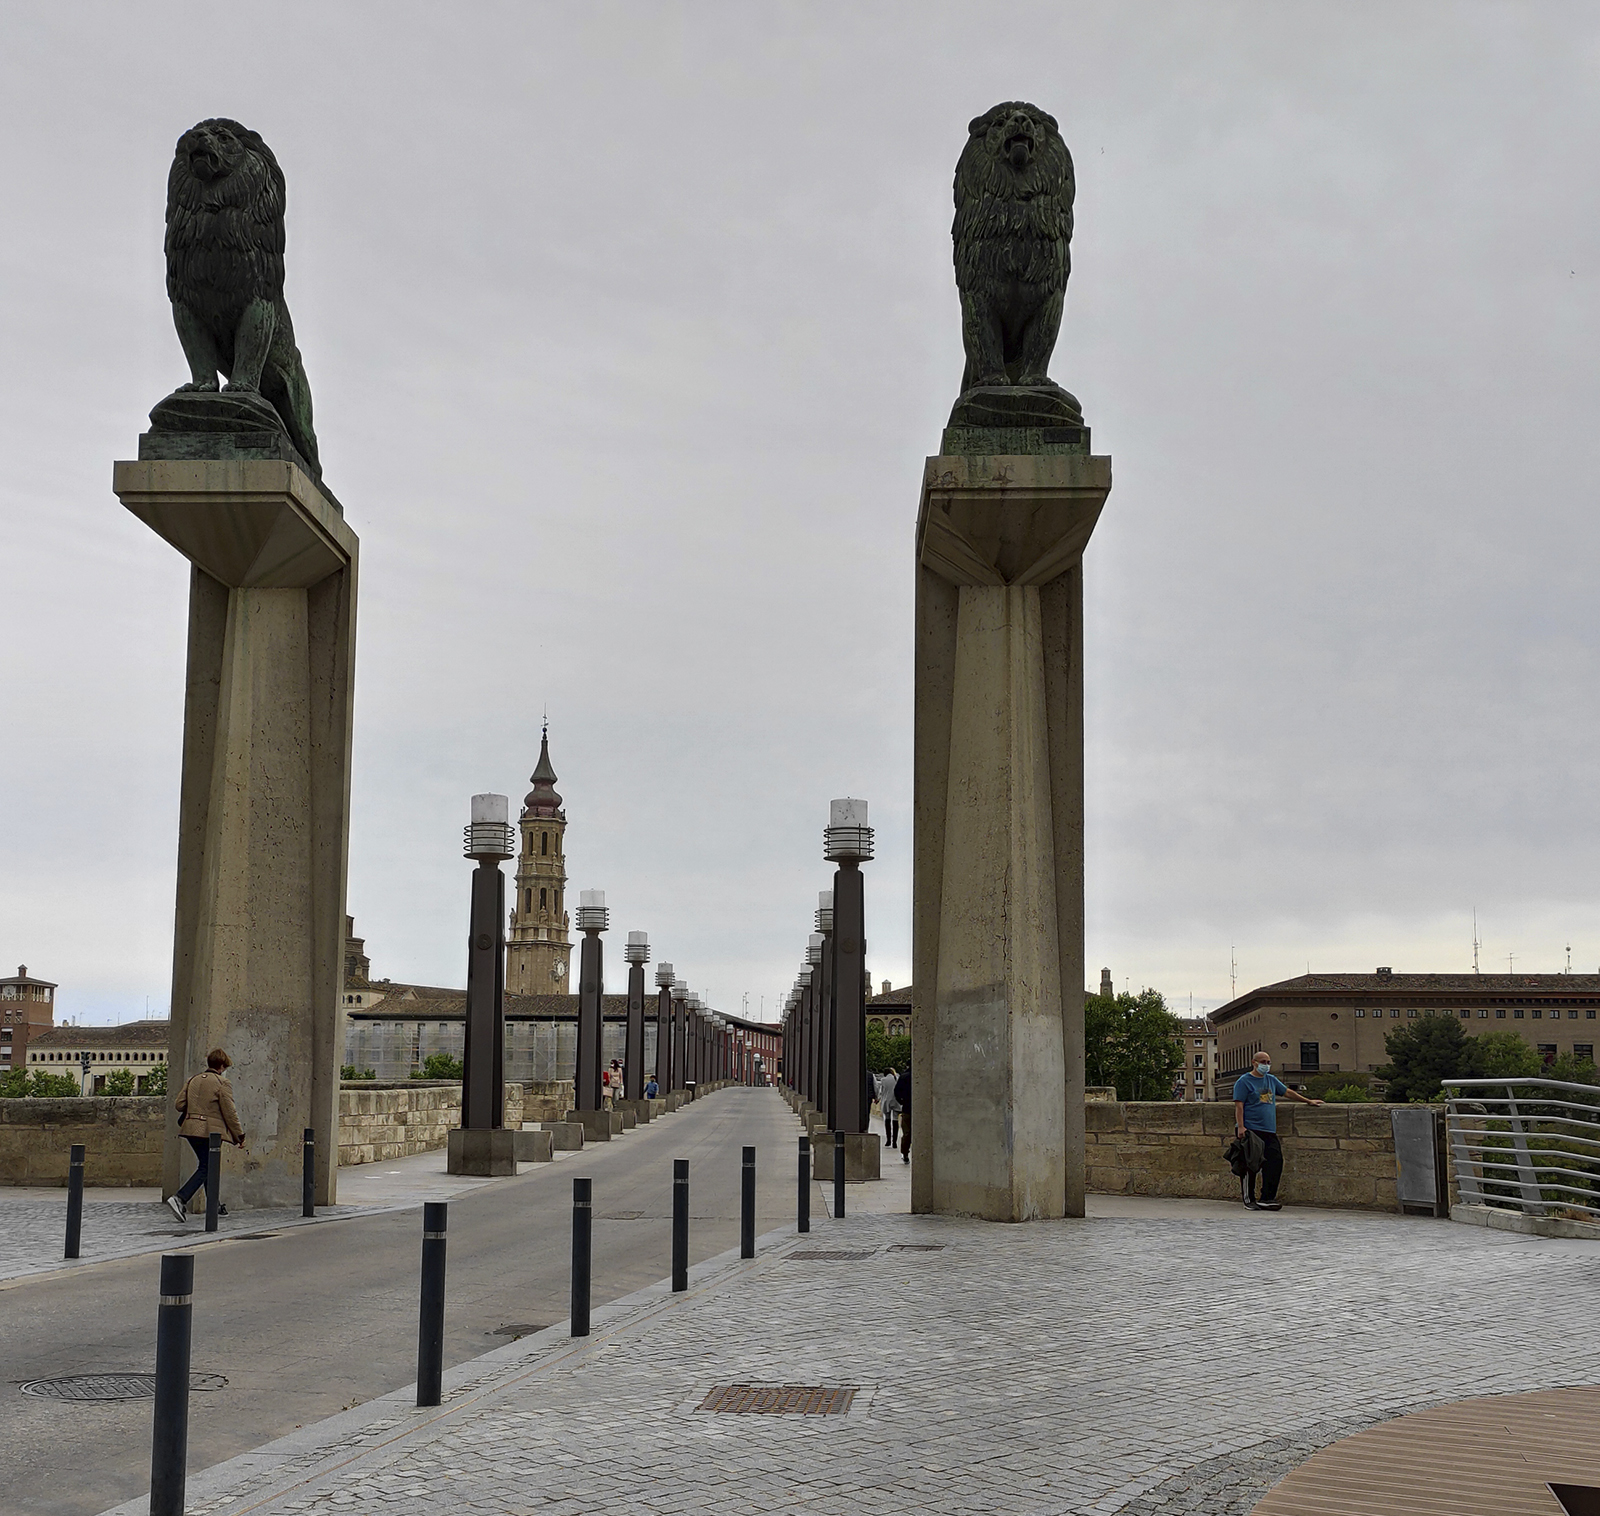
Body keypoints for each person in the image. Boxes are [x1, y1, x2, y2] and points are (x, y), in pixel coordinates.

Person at [1232, 1050, 1323, 1211]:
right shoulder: (1244, 1081)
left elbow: (1287, 1092)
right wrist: (1241, 1127)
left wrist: (1308, 1101)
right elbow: (1239, 1105)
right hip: (1251, 1129)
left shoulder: (1271, 1080)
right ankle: (1249, 1199)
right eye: (1263, 1062)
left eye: (1268, 1062)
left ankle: (1267, 1197)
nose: (1266, 1065)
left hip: (1268, 1129)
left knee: (1275, 1162)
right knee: (1250, 1164)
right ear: (1254, 1062)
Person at [166, 1048, 245, 1221]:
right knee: (207, 1167)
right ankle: (180, 1198)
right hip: (209, 1132)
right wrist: (239, 1135)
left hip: (189, 1128)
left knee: (208, 1164)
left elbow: (179, 1105)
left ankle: (214, 1205)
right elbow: (229, 1112)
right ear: (222, 1066)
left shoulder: (192, 1080)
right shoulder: (222, 1083)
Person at [878, 1068, 901, 1149]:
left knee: (887, 1120)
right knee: (895, 1120)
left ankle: (888, 1140)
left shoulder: (883, 1080)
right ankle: (894, 1142)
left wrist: (878, 1099)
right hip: (895, 1101)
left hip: (886, 1101)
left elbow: (881, 1092)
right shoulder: (897, 1078)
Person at [893, 1067, 911, 1164]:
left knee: (907, 1133)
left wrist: (902, 1102)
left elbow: (896, 1091)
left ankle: (905, 1154)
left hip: (907, 1108)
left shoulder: (903, 1077)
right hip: (920, 1108)